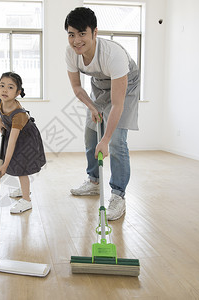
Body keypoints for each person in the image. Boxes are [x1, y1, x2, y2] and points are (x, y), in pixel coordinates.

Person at [64, 7, 140, 220]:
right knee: (90, 135)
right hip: (99, 85)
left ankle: (118, 195)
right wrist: (93, 107)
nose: (76, 40)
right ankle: (94, 182)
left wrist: (105, 139)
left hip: (126, 85)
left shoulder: (112, 55)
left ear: (94, 32)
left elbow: (117, 104)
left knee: (116, 141)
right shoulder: (71, 53)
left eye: (82, 34)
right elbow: (78, 89)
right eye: (71, 34)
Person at [0, 72, 46, 214]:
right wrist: (0, 121)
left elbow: (12, 142)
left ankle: (26, 199)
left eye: (10, 87)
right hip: (14, 134)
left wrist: (4, 165)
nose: (5, 90)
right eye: (2, 85)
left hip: (26, 139)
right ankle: (24, 189)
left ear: (18, 92)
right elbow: (2, 115)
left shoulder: (19, 115)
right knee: (16, 163)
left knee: (22, 169)